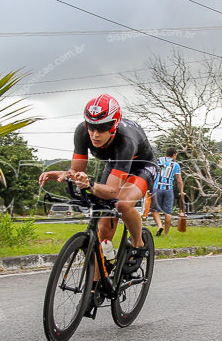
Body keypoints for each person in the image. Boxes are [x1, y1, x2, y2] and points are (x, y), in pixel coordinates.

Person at [38, 93, 157, 265]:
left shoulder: (126, 140)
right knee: (103, 232)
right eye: (91, 127)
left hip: (141, 167)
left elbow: (112, 192)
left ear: (114, 126)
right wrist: (66, 174)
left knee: (121, 203)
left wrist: (92, 185)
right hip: (115, 164)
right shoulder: (82, 132)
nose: (95, 134)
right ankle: (94, 288)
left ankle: (138, 244)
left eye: (102, 128)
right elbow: (76, 171)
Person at [153, 148, 186, 236]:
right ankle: (166, 234)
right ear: (174, 155)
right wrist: (181, 192)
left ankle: (160, 225)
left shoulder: (159, 160)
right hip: (168, 189)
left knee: (155, 210)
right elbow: (179, 180)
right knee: (167, 212)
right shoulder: (176, 165)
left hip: (157, 188)